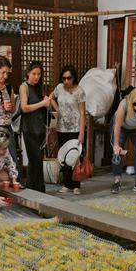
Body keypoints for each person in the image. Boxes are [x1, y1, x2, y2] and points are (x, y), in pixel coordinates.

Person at [51, 64, 86, 195]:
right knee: (64, 157)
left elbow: (82, 113)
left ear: (74, 77)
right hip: (61, 128)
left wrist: (81, 133)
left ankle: (76, 184)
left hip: (76, 128)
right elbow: (51, 97)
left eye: (69, 78)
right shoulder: (59, 88)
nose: (66, 81)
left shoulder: (80, 91)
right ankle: (67, 184)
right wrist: (57, 109)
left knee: (76, 157)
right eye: (64, 78)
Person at [19, 60, 50, 193]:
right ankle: (36, 190)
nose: (36, 77)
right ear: (28, 73)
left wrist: (47, 104)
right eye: (34, 73)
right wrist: (42, 104)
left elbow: (45, 108)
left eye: (39, 74)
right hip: (29, 128)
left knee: (38, 161)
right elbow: (24, 107)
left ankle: (35, 189)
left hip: (40, 128)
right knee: (35, 159)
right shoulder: (23, 86)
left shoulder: (39, 87)